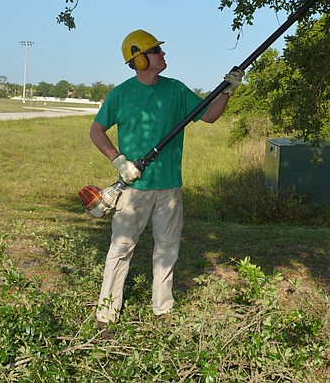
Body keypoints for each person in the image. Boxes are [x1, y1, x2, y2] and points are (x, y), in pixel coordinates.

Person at [90, 29, 243, 330]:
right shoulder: (120, 94)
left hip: (170, 187)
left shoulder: (176, 90)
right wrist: (119, 161)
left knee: (167, 248)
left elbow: (209, 116)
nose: (163, 55)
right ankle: (106, 315)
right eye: (156, 51)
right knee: (120, 249)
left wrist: (227, 91)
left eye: (160, 50)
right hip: (134, 189)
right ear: (140, 60)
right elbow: (96, 131)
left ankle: (162, 311)